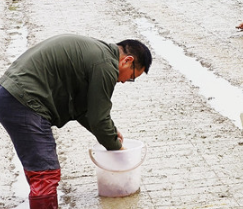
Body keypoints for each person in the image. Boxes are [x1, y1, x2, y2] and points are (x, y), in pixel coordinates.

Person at [0, 34, 152, 209]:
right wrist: (118, 151)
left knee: (39, 169)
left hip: (11, 94)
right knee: (45, 173)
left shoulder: (98, 54)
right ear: (127, 60)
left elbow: (84, 110)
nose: (125, 81)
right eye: (132, 76)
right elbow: (98, 119)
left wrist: (109, 132)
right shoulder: (105, 66)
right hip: (25, 101)